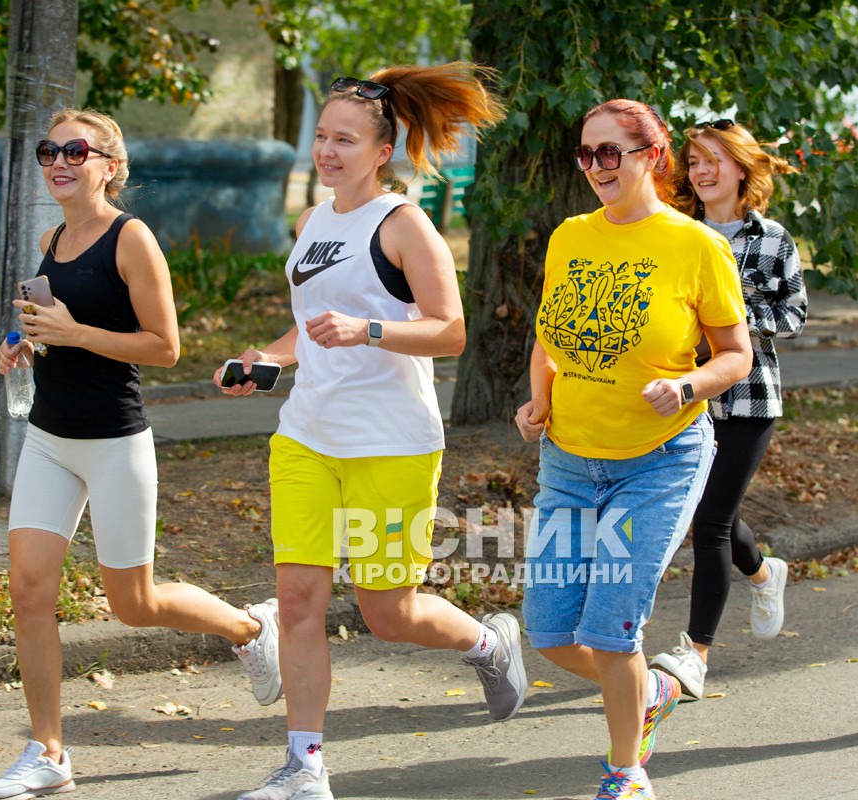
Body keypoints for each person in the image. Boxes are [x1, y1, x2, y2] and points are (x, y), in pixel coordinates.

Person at [215, 63, 521, 800]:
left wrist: (369, 329)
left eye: (344, 140)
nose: (327, 150)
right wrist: (268, 359)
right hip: (306, 436)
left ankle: (490, 641)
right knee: (297, 603)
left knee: (388, 613)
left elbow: (450, 332)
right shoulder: (311, 220)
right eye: (321, 136)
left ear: (382, 151)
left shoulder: (403, 222)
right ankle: (305, 765)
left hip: (392, 440)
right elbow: (309, 321)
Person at [0, 108, 281, 799]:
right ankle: (49, 751)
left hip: (115, 441)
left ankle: (249, 628)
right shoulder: (50, 237)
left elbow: (165, 346)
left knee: (134, 602)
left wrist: (78, 332)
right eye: (49, 150)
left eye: (76, 151)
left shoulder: (132, 238)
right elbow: (56, 331)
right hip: (51, 440)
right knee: (30, 592)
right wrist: (25, 342)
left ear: (109, 167)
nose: (59, 161)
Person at [514, 99, 752, 800]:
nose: (596, 167)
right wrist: (539, 401)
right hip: (567, 462)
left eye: (610, 152)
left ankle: (626, 772)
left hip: (657, 462)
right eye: (586, 154)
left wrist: (686, 385)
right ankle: (650, 690)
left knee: (613, 629)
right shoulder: (570, 237)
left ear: (652, 155)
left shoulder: (695, 245)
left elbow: (735, 355)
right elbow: (548, 338)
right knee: (552, 632)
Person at [648, 119, 807, 700]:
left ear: (742, 168)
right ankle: (765, 572)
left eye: (715, 159)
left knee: (711, 520)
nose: (703, 170)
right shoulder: (677, 236)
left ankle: (696, 654)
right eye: (694, 161)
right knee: (707, 514)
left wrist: (733, 325)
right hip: (684, 397)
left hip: (749, 399)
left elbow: (795, 314)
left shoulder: (772, 240)